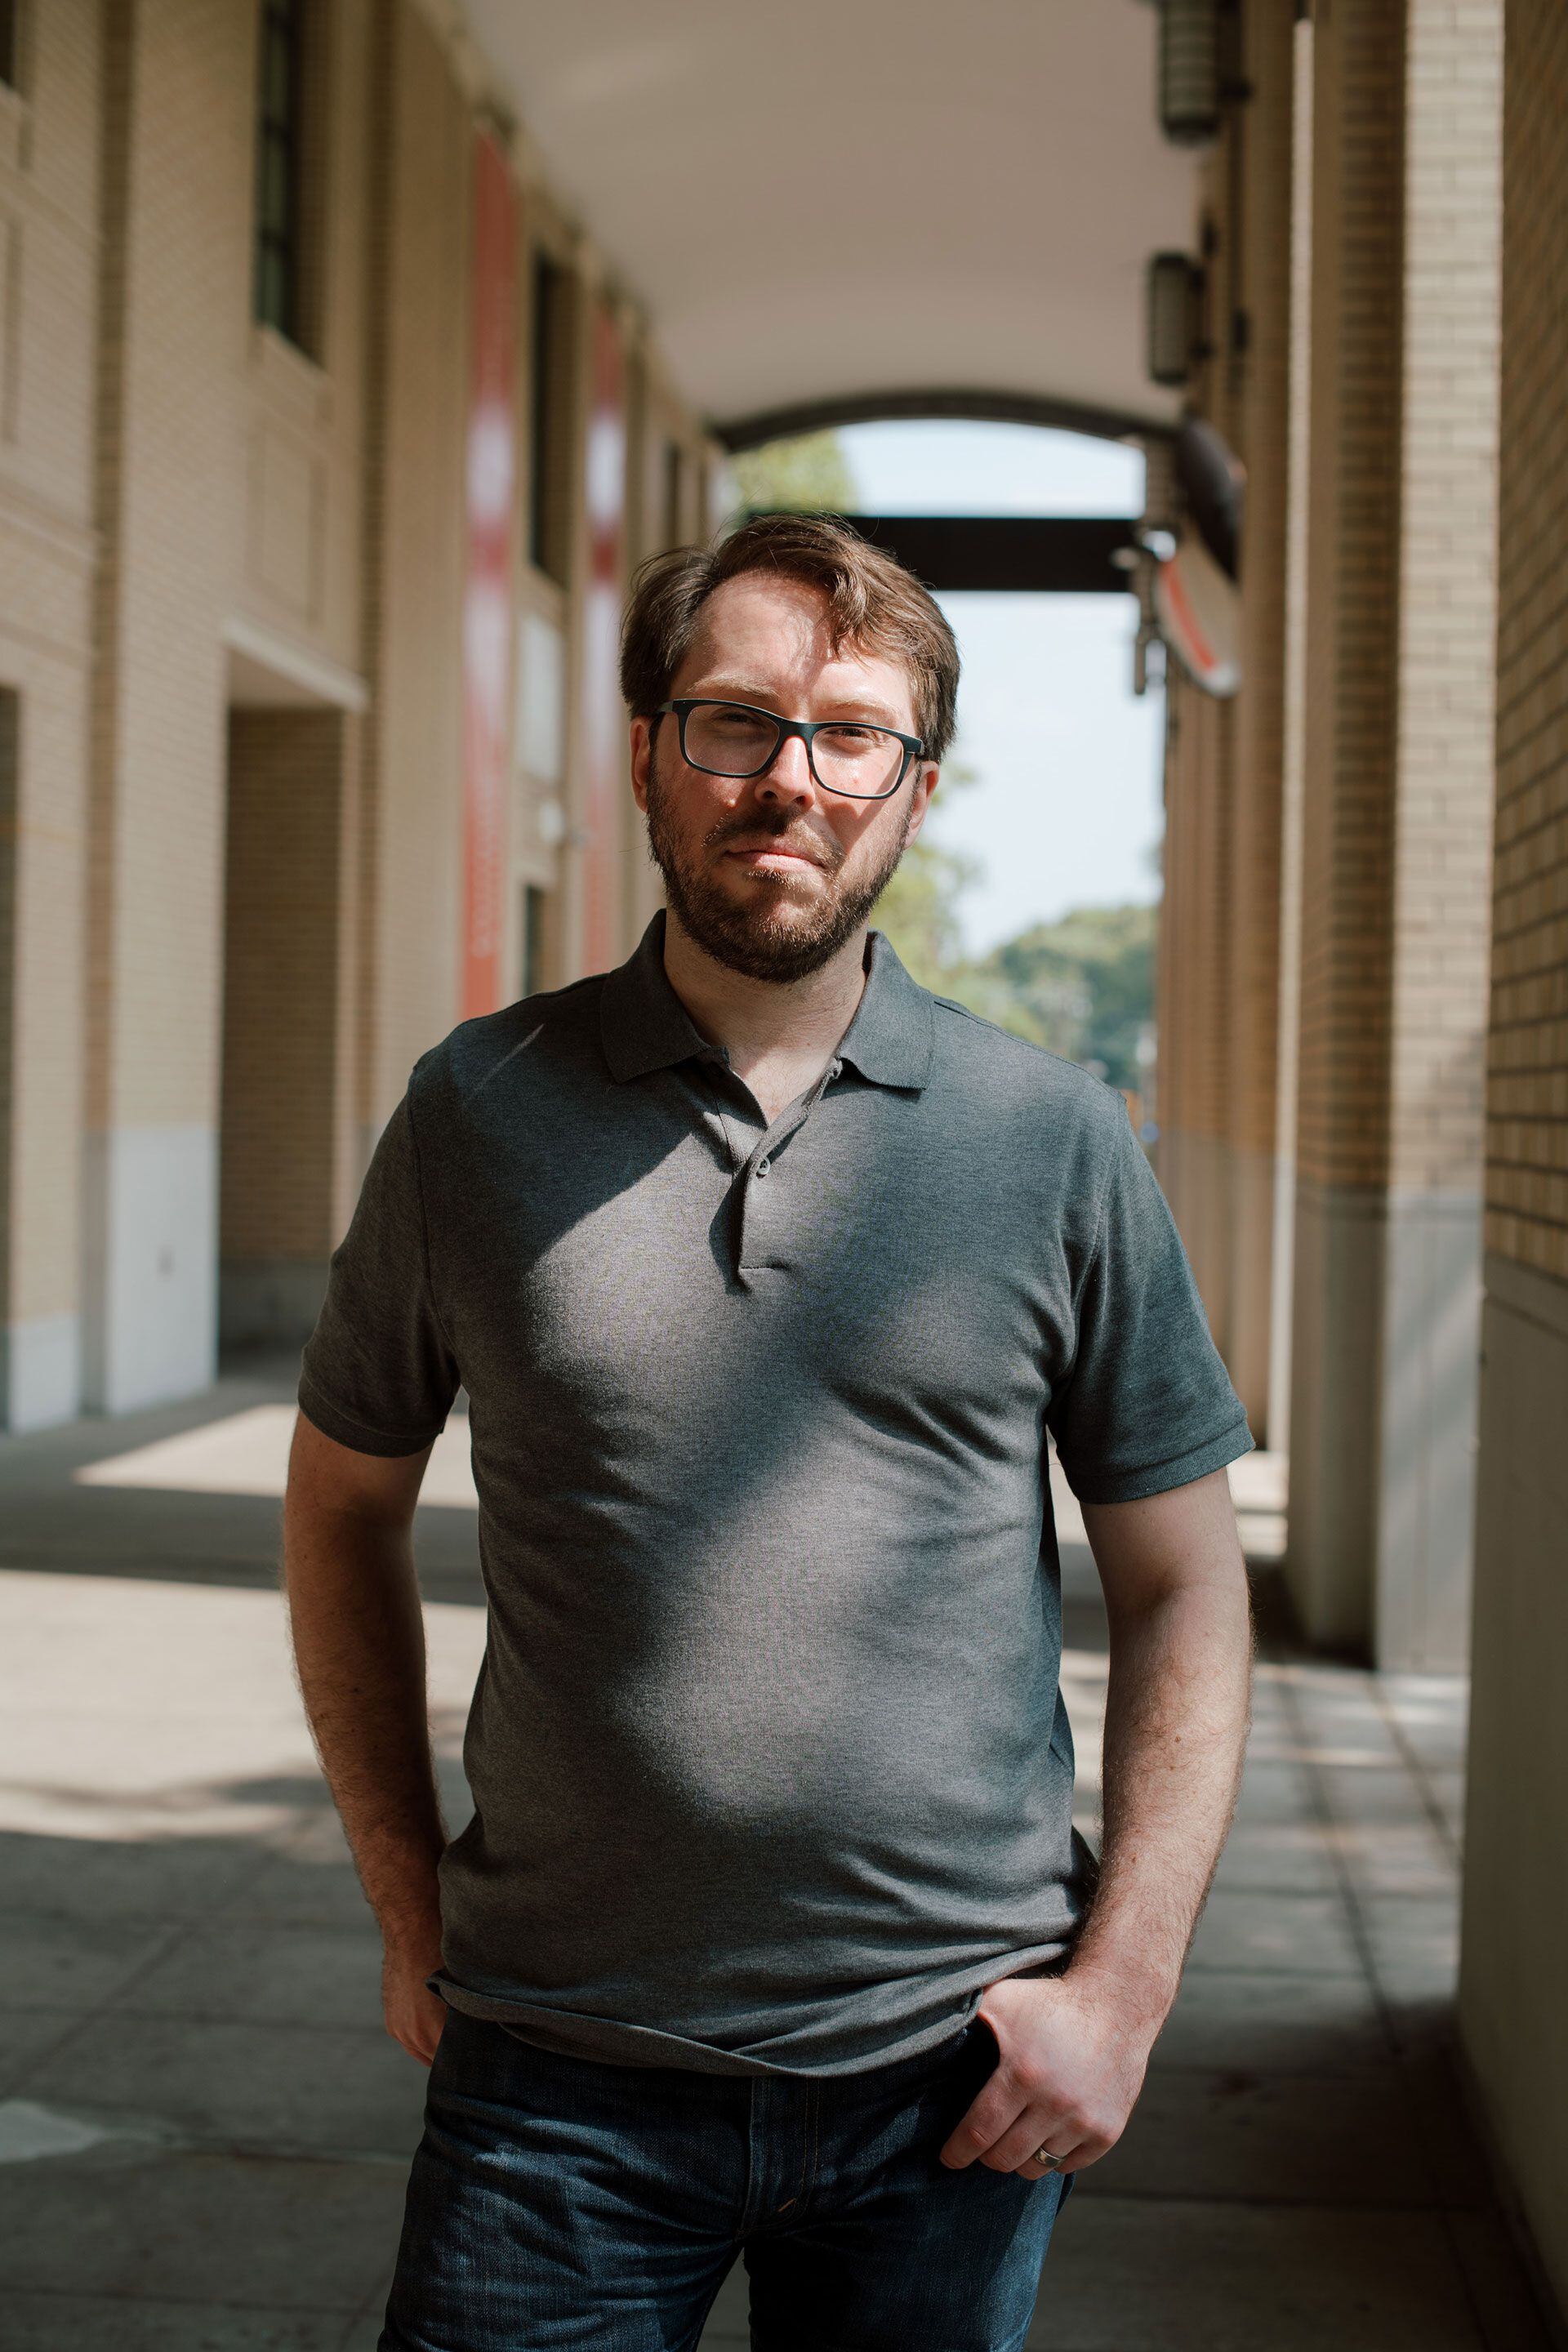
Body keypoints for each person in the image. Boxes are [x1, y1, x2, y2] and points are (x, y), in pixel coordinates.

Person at [283, 513, 1254, 2352]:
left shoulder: (1047, 1137)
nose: (786, 782)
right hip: (553, 2085)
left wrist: (1118, 1993)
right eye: (732, 721)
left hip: (948, 2086)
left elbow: (1188, 1585)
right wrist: (412, 1911)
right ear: (646, 749)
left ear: (915, 790)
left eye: (851, 735)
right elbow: (338, 1512)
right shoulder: (478, 1113)